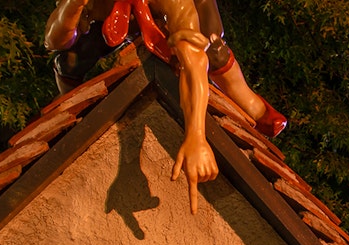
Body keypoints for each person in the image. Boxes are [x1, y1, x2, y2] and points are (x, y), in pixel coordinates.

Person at [44, 0, 286, 214]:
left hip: (179, 18)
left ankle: (252, 103)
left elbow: (194, 60)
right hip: (118, 21)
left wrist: (196, 136)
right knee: (70, 60)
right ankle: (71, 110)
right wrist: (73, 7)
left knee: (212, 49)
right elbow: (54, 39)